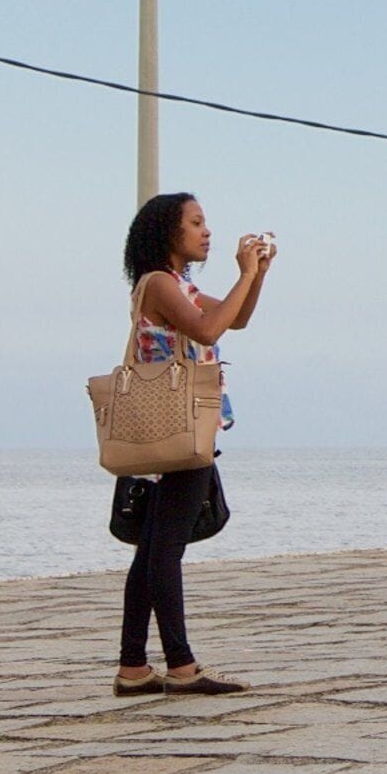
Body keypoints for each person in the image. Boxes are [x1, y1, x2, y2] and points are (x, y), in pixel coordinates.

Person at [116, 193, 271, 697]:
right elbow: (206, 327)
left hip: (174, 428)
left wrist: (257, 273)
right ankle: (181, 666)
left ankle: (134, 668)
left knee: (151, 551)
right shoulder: (160, 283)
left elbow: (235, 319)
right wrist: (244, 274)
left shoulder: (176, 285)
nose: (207, 232)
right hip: (181, 427)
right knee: (166, 550)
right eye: (196, 223)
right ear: (168, 232)